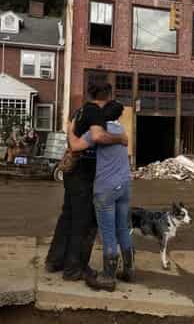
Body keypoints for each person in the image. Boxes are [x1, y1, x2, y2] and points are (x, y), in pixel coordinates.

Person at [45, 83, 128, 281]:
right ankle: (75, 269)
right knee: (85, 222)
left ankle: (55, 260)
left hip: (73, 172)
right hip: (84, 173)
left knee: (68, 216)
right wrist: (120, 139)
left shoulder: (80, 111)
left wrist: (70, 133)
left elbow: (71, 132)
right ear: (107, 97)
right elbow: (97, 136)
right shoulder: (95, 112)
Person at [68, 100, 134, 292]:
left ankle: (108, 277)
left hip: (106, 189)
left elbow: (74, 147)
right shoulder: (121, 131)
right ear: (119, 115)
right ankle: (129, 270)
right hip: (125, 186)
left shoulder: (96, 132)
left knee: (107, 232)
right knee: (122, 228)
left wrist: (71, 127)